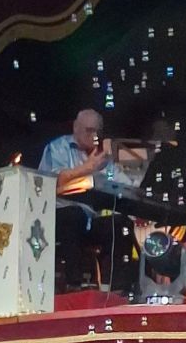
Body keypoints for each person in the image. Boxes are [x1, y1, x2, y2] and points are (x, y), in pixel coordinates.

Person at [39, 109, 137, 293]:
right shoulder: (57, 148)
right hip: (59, 219)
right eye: (89, 130)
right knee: (73, 214)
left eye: (97, 132)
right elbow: (50, 181)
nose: (94, 136)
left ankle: (117, 288)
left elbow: (124, 184)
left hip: (89, 221)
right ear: (76, 128)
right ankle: (74, 285)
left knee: (120, 224)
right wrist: (87, 168)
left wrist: (140, 191)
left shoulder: (102, 158)